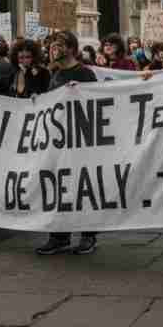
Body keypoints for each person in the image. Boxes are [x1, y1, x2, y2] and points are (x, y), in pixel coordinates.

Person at [36, 31, 102, 256]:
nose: (54, 49)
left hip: (80, 140)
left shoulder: (85, 73)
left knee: (83, 187)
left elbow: (96, 102)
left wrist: (81, 92)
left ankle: (88, 236)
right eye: (52, 45)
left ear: (72, 49)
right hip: (59, 140)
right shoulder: (56, 73)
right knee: (59, 187)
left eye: (59, 45)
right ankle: (59, 236)